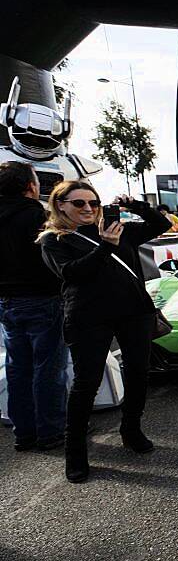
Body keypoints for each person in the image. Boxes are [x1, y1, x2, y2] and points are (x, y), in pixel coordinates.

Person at [39, 181, 171, 482]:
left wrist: (134, 205)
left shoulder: (116, 229)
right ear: (60, 205)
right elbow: (71, 273)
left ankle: (131, 429)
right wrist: (105, 247)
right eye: (79, 203)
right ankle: (76, 453)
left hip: (134, 313)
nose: (88, 209)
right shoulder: (54, 239)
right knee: (87, 383)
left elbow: (160, 223)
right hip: (88, 317)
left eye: (93, 203)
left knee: (139, 373)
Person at [0, 162, 67, 452]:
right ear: (30, 186)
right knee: (49, 367)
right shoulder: (37, 215)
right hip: (42, 299)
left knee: (17, 368)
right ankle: (50, 431)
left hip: (6, 302)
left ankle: (24, 433)